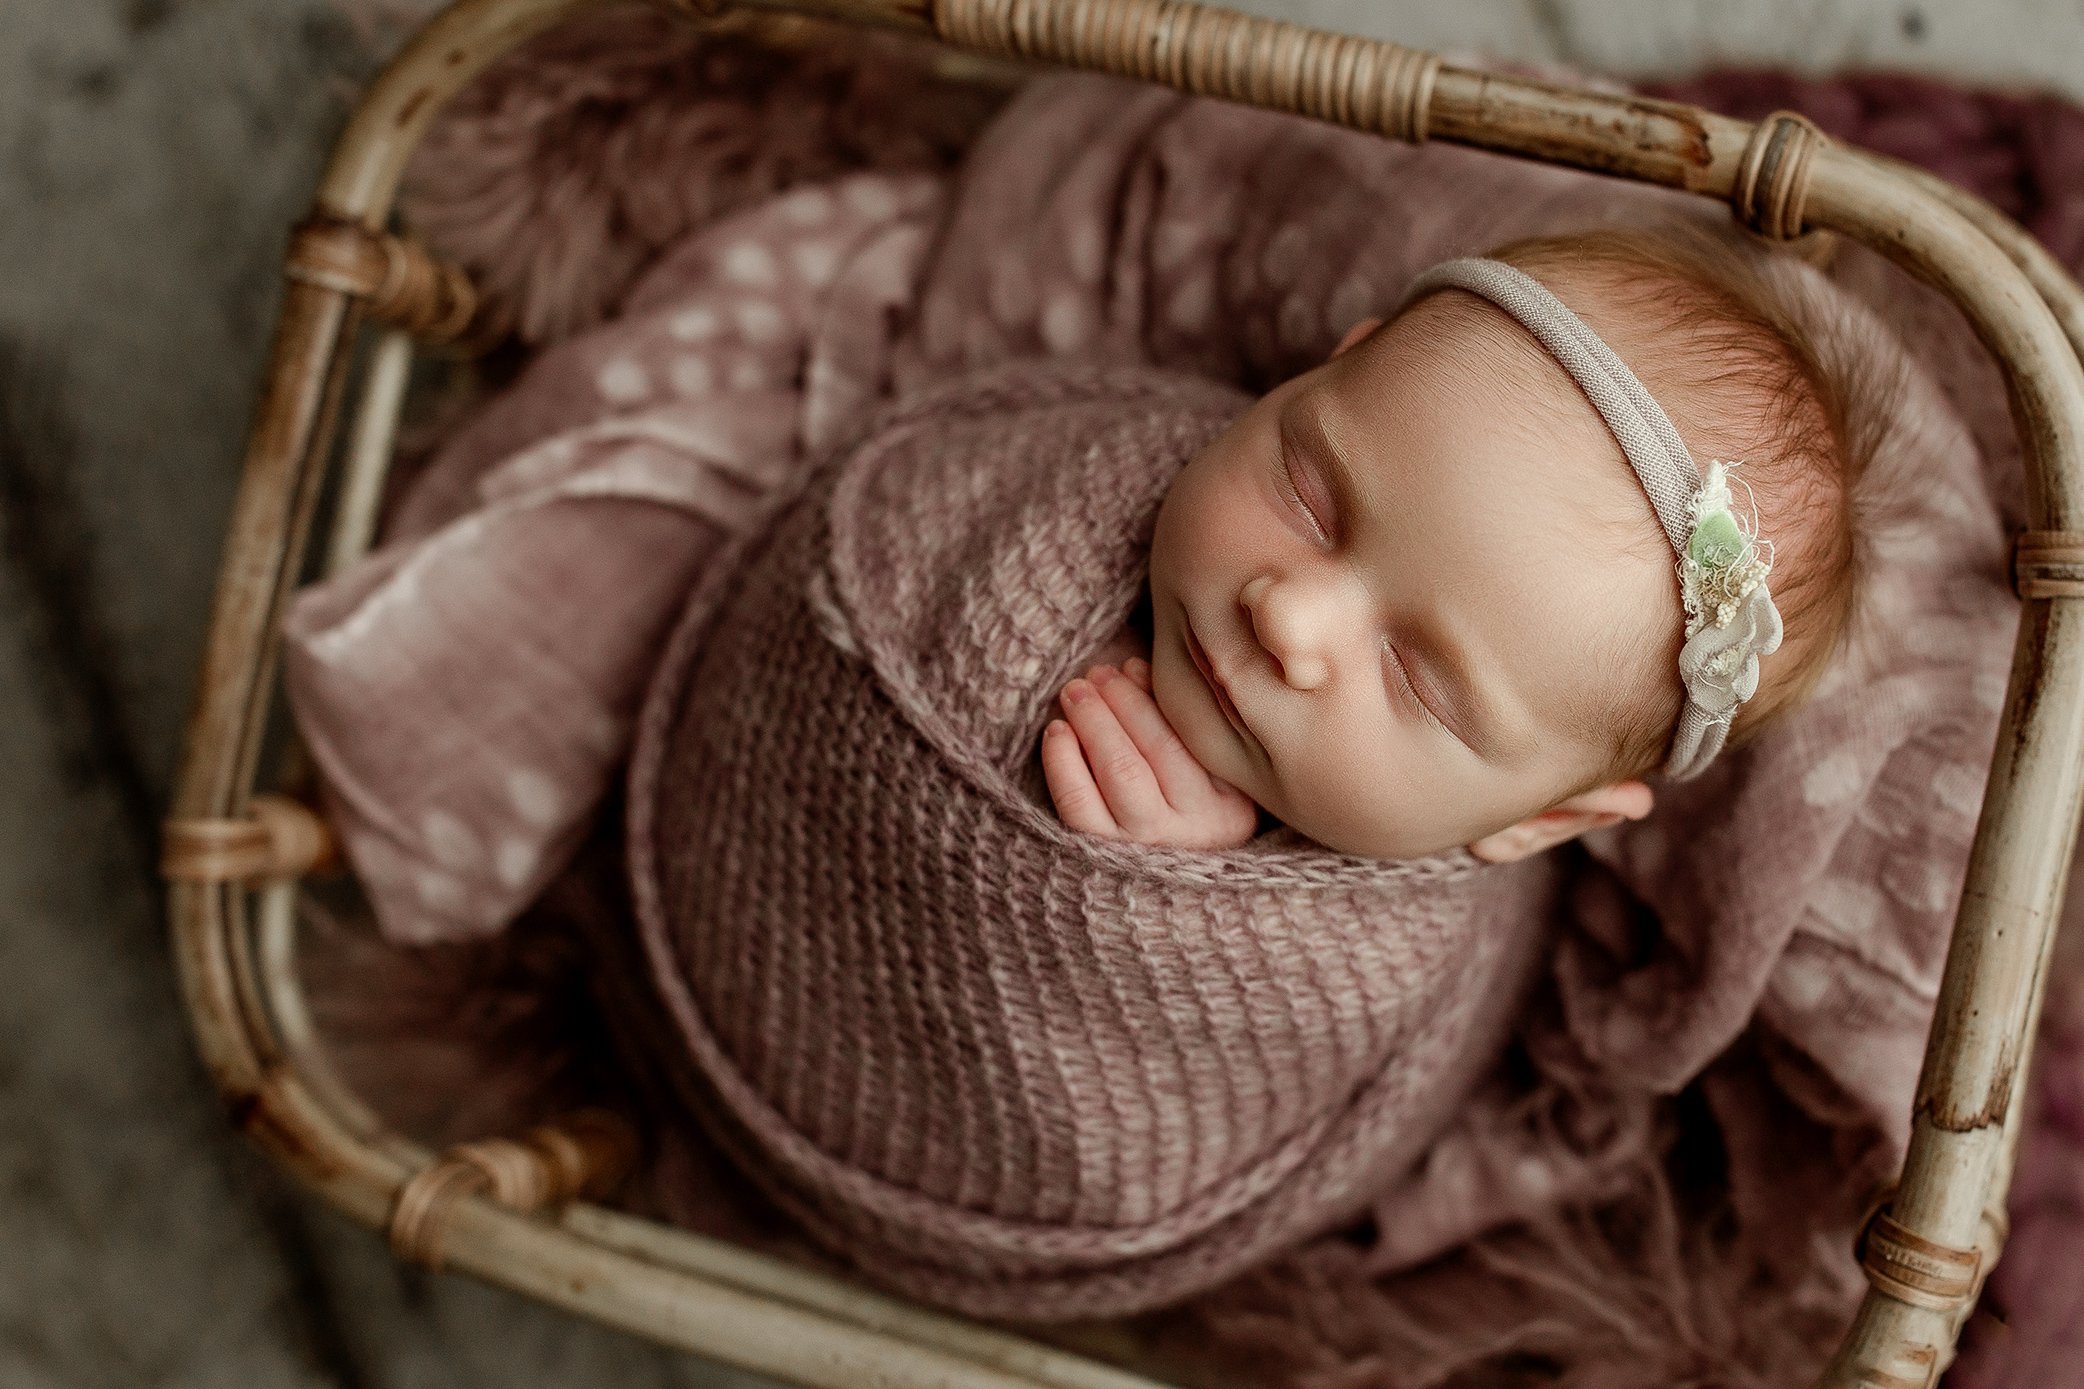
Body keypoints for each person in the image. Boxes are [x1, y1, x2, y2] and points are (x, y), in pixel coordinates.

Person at [1041, 225, 1860, 862]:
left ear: (1540, 821)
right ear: (1333, 362)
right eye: (1308, 498)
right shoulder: (1117, 441)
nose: (1288, 618)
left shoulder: (1373, 964)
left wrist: (1163, 905)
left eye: (1417, 681)